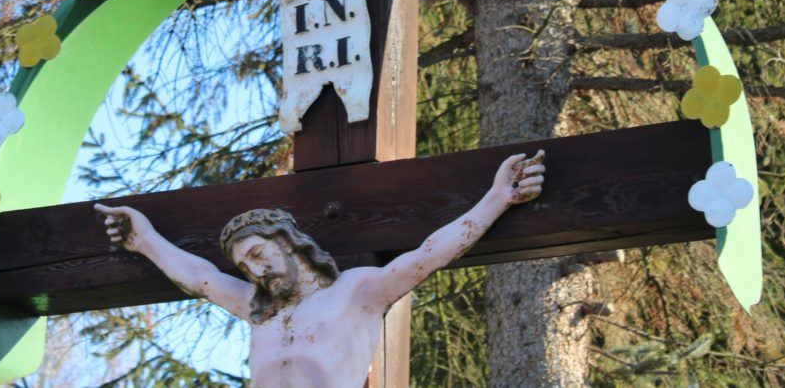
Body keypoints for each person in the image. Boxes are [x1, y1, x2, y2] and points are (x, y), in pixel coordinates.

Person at [95, 150, 546, 388]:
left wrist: (497, 199)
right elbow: (200, 277)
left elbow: (428, 253)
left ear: (288, 243)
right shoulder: (258, 308)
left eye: (256, 253)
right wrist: (145, 240)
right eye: (244, 265)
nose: (253, 270)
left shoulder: (357, 293)